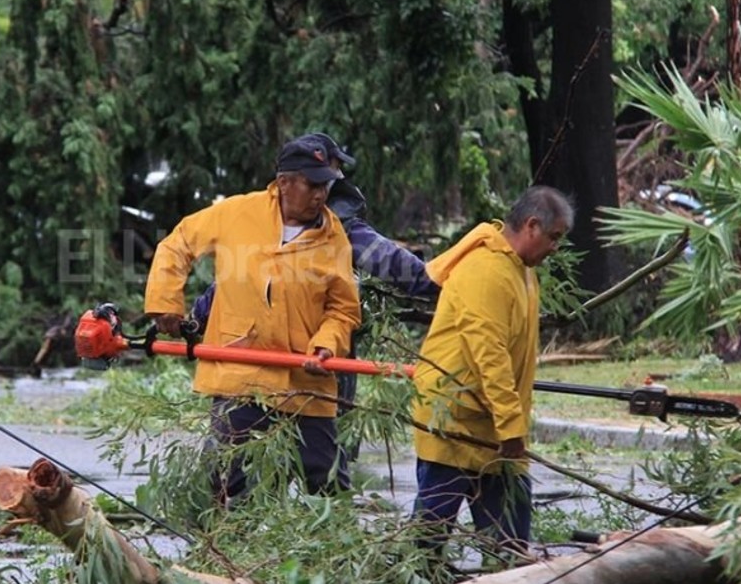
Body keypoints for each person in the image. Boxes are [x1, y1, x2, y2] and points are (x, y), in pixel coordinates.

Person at [189, 132, 439, 486]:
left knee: (321, 478)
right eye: (319, 177)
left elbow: (406, 273)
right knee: (236, 480)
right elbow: (232, 284)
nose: (326, 185)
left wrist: (452, 285)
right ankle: (231, 535)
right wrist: (195, 322)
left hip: (316, 370)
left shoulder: (343, 231)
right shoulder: (260, 222)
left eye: (331, 177)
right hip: (252, 380)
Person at [144, 135, 362, 504]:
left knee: (328, 490)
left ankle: (328, 559)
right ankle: (228, 555)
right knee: (231, 486)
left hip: (306, 384)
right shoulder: (237, 213)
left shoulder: (333, 236)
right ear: (284, 183)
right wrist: (167, 304)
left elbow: (342, 309)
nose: (320, 194)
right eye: (312, 184)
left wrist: (327, 344)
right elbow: (176, 245)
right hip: (241, 376)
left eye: (325, 185)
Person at [411, 185, 573, 557]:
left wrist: (510, 427)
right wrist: (512, 427)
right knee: (427, 546)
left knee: (511, 546)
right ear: (532, 226)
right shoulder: (486, 270)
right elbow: (490, 355)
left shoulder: (521, 270)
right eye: (554, 237)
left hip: (492, 430)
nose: (555, 248)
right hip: (453, 425)